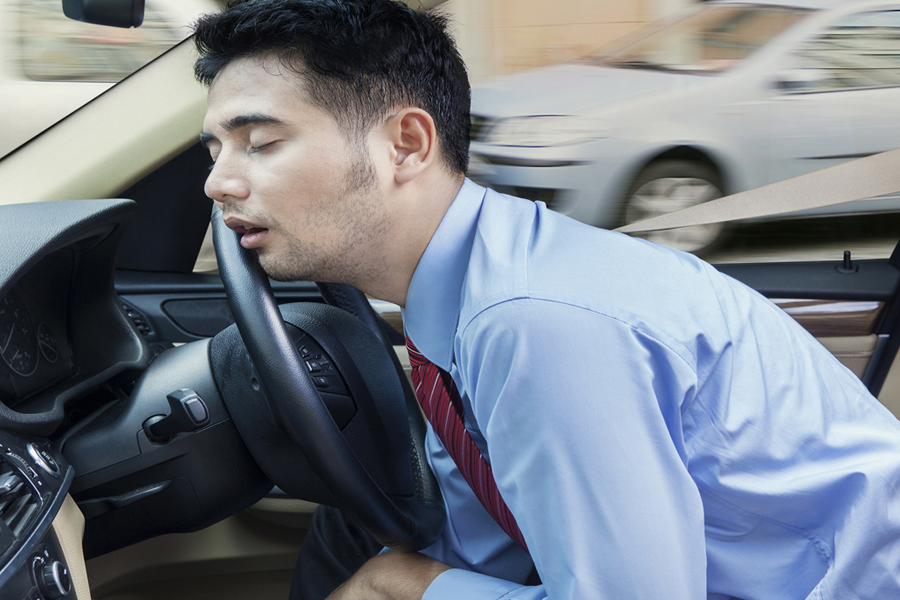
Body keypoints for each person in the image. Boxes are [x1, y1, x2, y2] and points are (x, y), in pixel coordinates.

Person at [193, 1, 900, 598]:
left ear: (406, 144)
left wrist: (406, 585)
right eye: (215, 150)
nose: (217, 182)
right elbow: (484, 519)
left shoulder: (536, 323)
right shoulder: (461, 285)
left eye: (260, 142)